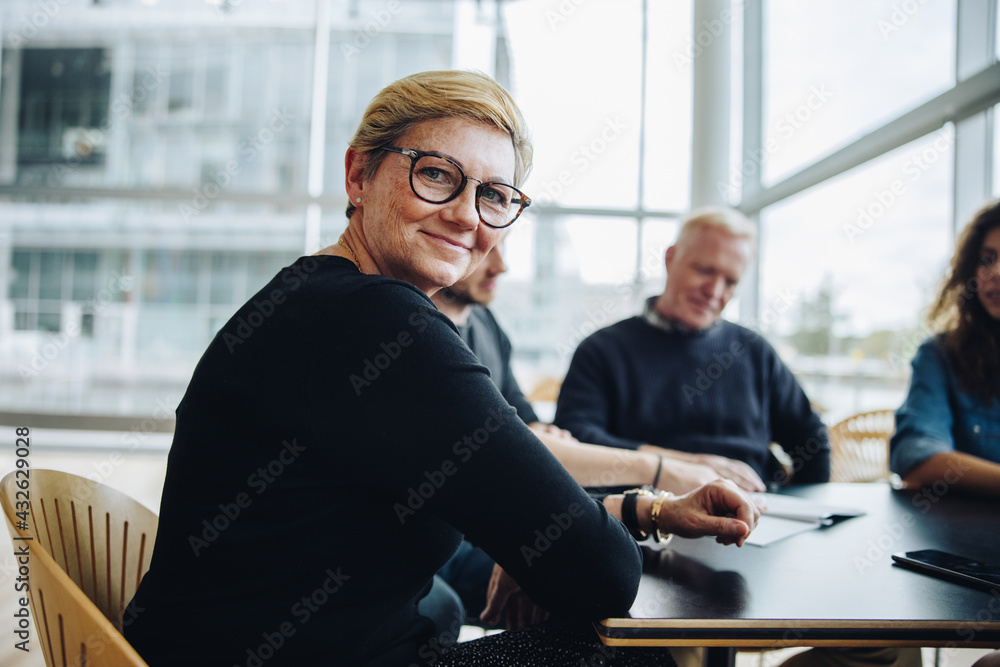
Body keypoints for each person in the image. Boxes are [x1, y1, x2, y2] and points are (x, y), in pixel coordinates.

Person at [123, 70, 759, 667]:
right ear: (358, 175)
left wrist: (634, 514)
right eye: (435, 175)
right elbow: (602, 574)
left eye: (494, 195)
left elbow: (531, 510)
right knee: (630, 653)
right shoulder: (376, 321)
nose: (466, 215)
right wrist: (571, 539)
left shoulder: (319, 300)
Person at [428, 239, 728, 629]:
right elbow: (518, 446)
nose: (500, 266)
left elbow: (528, 430)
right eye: (484, 249)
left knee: (621, 583)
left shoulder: (486, 325)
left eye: (502, 246)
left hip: (491, 531)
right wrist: (659, 471)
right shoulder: (425, 339)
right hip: (449, 548)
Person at [554, 207, 831, 491]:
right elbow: (575, 441)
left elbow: (811, 441)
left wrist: (808, 513)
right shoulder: (602, 350)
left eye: (730, 281)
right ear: (670, 259)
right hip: (648, 516)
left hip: (757, 511)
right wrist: (684, 466)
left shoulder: (755, 351)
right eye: (704, 270)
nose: (714, 291)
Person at [890, 199, 1000, 499]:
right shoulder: (940, 354)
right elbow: (916, 457)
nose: (996, 272)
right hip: (971, 538)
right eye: (986, 259)